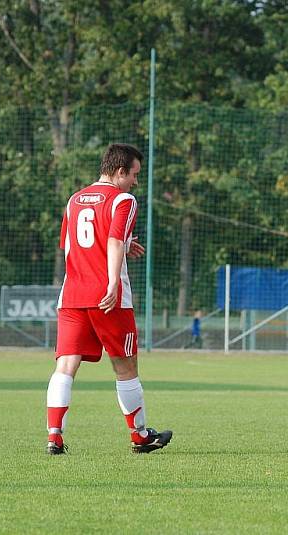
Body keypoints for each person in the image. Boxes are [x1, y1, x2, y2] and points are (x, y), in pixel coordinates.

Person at [46, 143, 172, 455]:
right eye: (134, 174)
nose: (135, 182)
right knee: (125, 365)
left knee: (65, 365)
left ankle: (54, 435)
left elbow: (73, 246)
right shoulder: (123, 200)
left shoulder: (74, 200)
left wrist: (123, 246)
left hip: (72, 294)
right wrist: (113, 281)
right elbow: (113, 239)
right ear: (119, 172)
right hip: (108, 297)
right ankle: (140, 435)